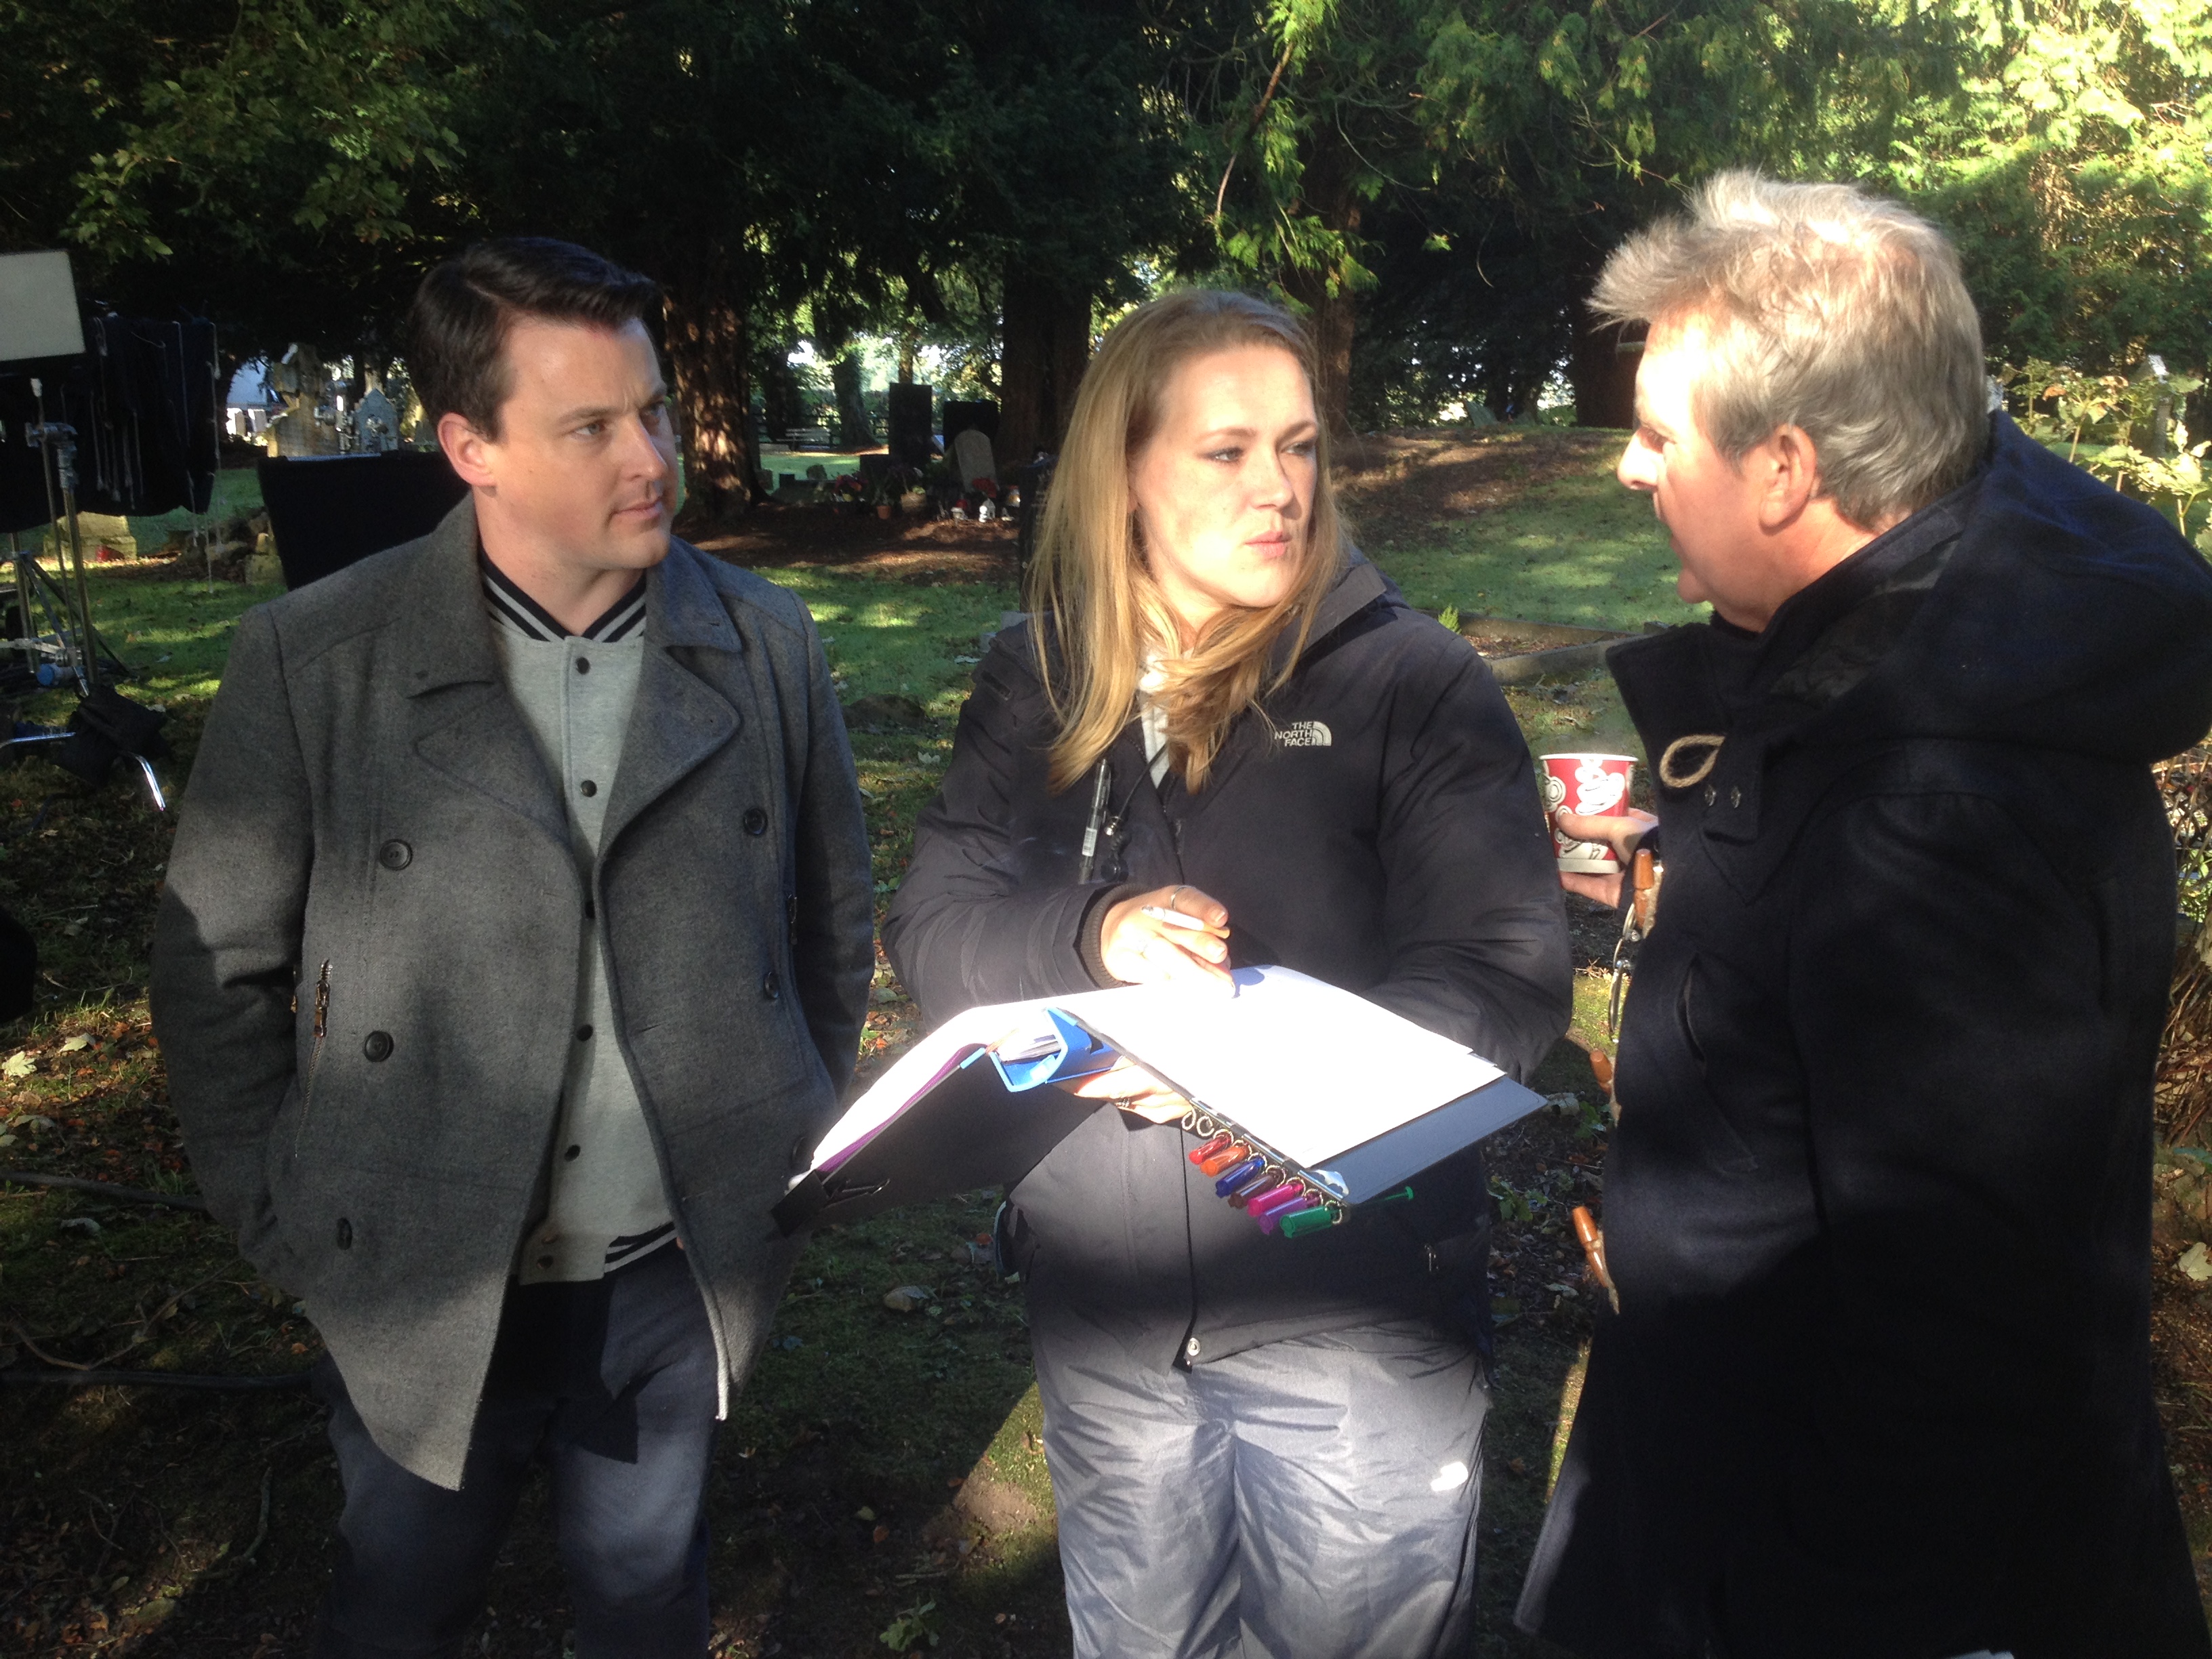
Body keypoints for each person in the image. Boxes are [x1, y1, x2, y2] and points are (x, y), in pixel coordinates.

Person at [1515, 173, 2212, 1657]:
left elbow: (1956, 1349)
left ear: (1782, 471)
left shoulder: (1942, 802)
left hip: (1816, 1582)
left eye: (1656, 435)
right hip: (1715, 1485)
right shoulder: (1875, 659)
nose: (1632, 472)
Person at [150, 238, 874, 1658]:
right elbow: (215, 966)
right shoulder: (315, 665)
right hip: (413, 1262)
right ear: (469, 445)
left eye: (653, 409)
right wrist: (286, 1215)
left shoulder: (767, 646)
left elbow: (829, 924)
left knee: (645, 1603)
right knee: (403, 1602)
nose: (649, 454)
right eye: (591, 426)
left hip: (675, 1267)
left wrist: (775, 1135)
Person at [883, 289, 1572, 1658]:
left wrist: (1245, 1079)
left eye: (1303, 447)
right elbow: (934, 929)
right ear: (1125, 472)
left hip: (1356, 1317)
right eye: (1228, 451)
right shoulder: (1037, 678)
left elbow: (1503, 983)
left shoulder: (1414, 686)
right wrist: (1095, 936)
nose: (1281, 489)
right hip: (1106, 1316)